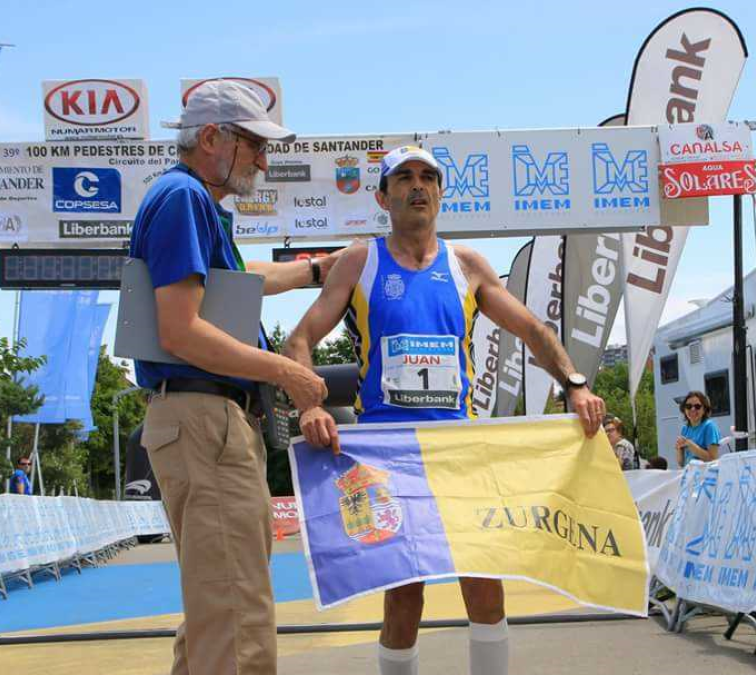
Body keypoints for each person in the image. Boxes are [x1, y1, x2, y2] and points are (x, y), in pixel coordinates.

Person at [284, 145, 607, 675]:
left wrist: (574, 385)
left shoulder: (467, 265)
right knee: (404, 598)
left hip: (459, 448)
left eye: (428, 177)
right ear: (383, 195)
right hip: (385, 450)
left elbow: (531, 330)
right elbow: (299, 341)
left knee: (484, 585)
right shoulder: (361, 261)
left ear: (440, 192)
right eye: (404, 178)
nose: (417, 186)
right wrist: (309, 405)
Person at [129, 80, 337, 675]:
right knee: (238, 616)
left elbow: (243, 282)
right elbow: (183, 332)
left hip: (199, 421)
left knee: (214, 611)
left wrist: (320, 268)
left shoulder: (184, 200)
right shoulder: (184, 199)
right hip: (206, 420)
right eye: (254, 145)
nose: (265, 162)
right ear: (213, 137)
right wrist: (288, 374)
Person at [675, 391, 720, 466]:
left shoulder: (709, 426)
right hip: (689, 474)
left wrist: (690, 445)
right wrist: (679, 449)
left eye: (697, 406)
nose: (692, 409)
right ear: (684, 409)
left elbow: (713, 459)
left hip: (705, 475)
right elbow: (681, 463)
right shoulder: (685, 429)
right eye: (688, 406)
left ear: (704, 410)